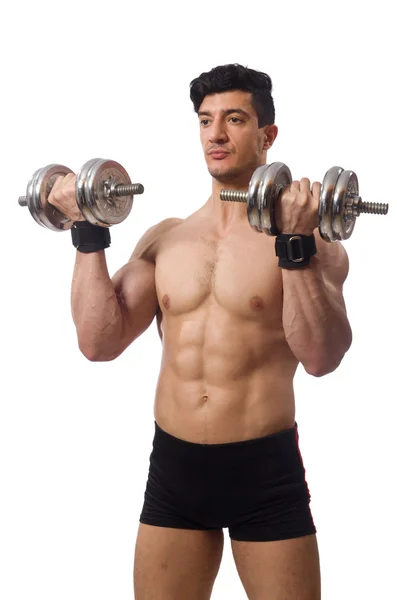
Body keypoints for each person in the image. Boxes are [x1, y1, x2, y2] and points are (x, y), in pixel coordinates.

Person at [48, 63, 352, 599]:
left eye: (234, 119)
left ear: (267, 135)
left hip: (265, 471)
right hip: (176, 469)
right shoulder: (167, 239)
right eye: (206, 120)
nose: (215, 133)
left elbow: (323, 355)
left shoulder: (310, 243)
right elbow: (99, 342)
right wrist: (87, 229)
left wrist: (294, 246)